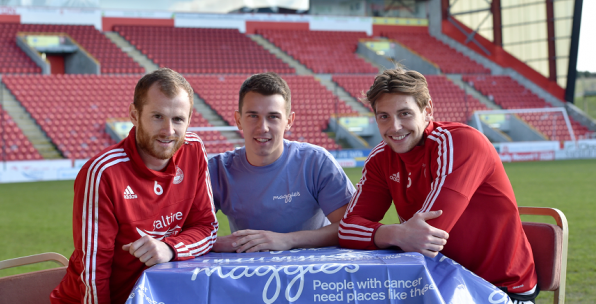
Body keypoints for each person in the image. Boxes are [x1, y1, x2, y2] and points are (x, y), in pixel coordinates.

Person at [339, 66, 539, 304]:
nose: (394, 127)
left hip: (498, 287)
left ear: (427, 111)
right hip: (437, 281)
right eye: (384, 116)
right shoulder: (381, 158)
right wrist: (396, 233)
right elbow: (347, 229)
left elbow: (428, 234)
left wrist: (386, 235)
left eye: (405, 114)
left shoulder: (461, 142)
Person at [51, 69, 218, 304]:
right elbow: (93, 271)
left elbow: (207, 228)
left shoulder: (194, 149)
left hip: (160, 297)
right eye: (157, 116)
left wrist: (169, 249)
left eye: (178, 119)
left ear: (189, 120)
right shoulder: (102, 173)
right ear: (134, 114)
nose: (168, 131)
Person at [209, 72, 355, 253]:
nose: (262, 127)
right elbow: (185, 230)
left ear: (289, 121)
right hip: (251, 275)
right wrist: (215, 243)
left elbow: (352, 226)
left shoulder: (316, 162)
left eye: (273, 117)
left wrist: (288, 240)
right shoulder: (217, 170)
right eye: (253, 116)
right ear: (238, 120)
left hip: (313, 273)